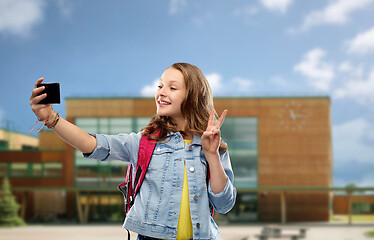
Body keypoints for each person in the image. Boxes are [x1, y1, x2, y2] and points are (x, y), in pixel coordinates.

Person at [30, 62, 237, 240]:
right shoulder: (145, 142)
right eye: (160, 86)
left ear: (193, 96)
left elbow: (223, 204)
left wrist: (212, 156)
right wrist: (51, 119)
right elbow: (92, 144)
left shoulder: (212, 145)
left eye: (172, 88)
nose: (161, 92)